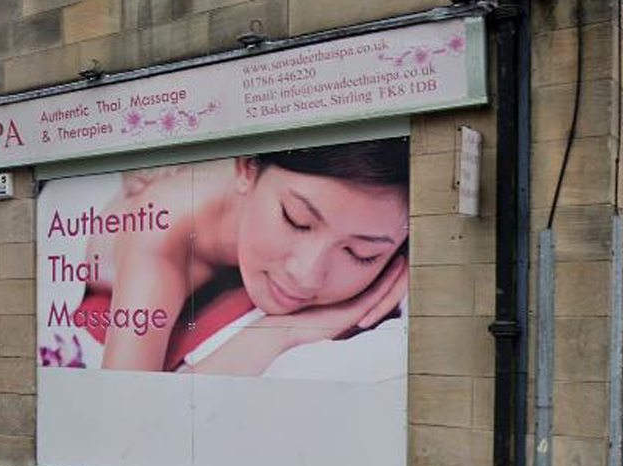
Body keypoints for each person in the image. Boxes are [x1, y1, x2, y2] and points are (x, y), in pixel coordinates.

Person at [75, 139, 409, 375]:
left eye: (361, 253)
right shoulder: (166, 225)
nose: (306, 276)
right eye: (296, 220)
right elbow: (127, 416)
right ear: (247, 169)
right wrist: (280, 332)